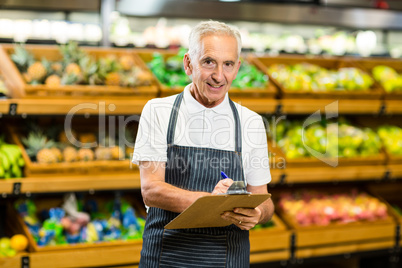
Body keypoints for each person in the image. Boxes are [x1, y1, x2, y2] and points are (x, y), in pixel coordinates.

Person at [132, 20, 274, 268]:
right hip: (166, 256)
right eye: (209, 62)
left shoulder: (250, 122)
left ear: (237, 67)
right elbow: (151, 190)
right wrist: (211, 202)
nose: (219, 76)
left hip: (228, 258)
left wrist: (258, 213)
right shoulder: (159, 111)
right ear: (188, 63)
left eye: (228, 64)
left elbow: (263, 198)